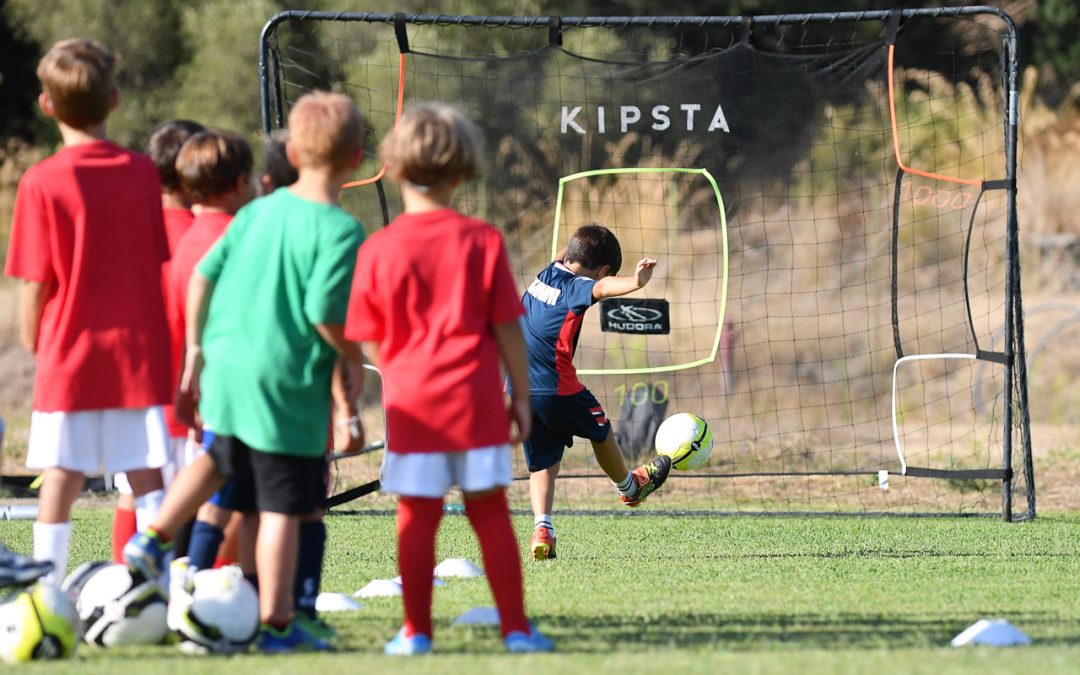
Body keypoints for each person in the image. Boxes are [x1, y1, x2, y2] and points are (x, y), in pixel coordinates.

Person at [124, 91, 366, 653]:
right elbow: (325, 315)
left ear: (294, 153)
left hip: (228, 367)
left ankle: (154, 537)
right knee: (282, 504)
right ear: (356, 158)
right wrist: (351, 362)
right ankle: (279, 622)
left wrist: (195, 354)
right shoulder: (338, 230)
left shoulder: (256, 211)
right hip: (285, 383)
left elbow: (203, 277)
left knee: (219, 459)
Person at [344, 102, 554, 655]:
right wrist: (522, 396)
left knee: (416, 515)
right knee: (489, 514)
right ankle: (515, 629)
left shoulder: (377, 248)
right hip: (477, 404)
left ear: (391, 166)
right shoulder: (482, 240)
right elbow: (510, 327)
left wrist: (399, 369)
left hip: (412, 407)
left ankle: (416, 633)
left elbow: (367, 336)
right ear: (463, 171)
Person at [4, 38, 173, 585]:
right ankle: (155, 588)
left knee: (62, 474)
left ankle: (46, 589)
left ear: (46, 105)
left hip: (68, 350)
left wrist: (35, 343)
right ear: (116, 100)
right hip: (136, 350)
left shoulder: (40, 181)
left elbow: (36, 280)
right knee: (148, 472)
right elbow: (154, 260)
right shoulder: (145, 174)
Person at [520, 224, 669, 561]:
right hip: (555, 386)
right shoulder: (578, 287)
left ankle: (542, 527)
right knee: (601, 431)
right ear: (600, 269)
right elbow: (600, 287)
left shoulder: (545, 273)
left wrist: (579, 241)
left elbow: (571, 254)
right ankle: (630, 488)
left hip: (518, 386)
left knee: (544, 462)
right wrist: (634, 282)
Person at [111, 118, 206, 564]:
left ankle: (123, 588)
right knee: (206, 503)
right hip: (195, 400)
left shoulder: (127, 233)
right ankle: (205, 588)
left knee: (133, 495)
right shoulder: (210, 236)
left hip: (136, 396)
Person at [165, 128, 253, 578]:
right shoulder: (242, 239)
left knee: (213, 494)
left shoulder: (188, 242)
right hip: (235, 396)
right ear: (241, 182)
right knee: (242, 498)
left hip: (195, 391)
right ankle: (220, 583)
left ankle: (185, 575)